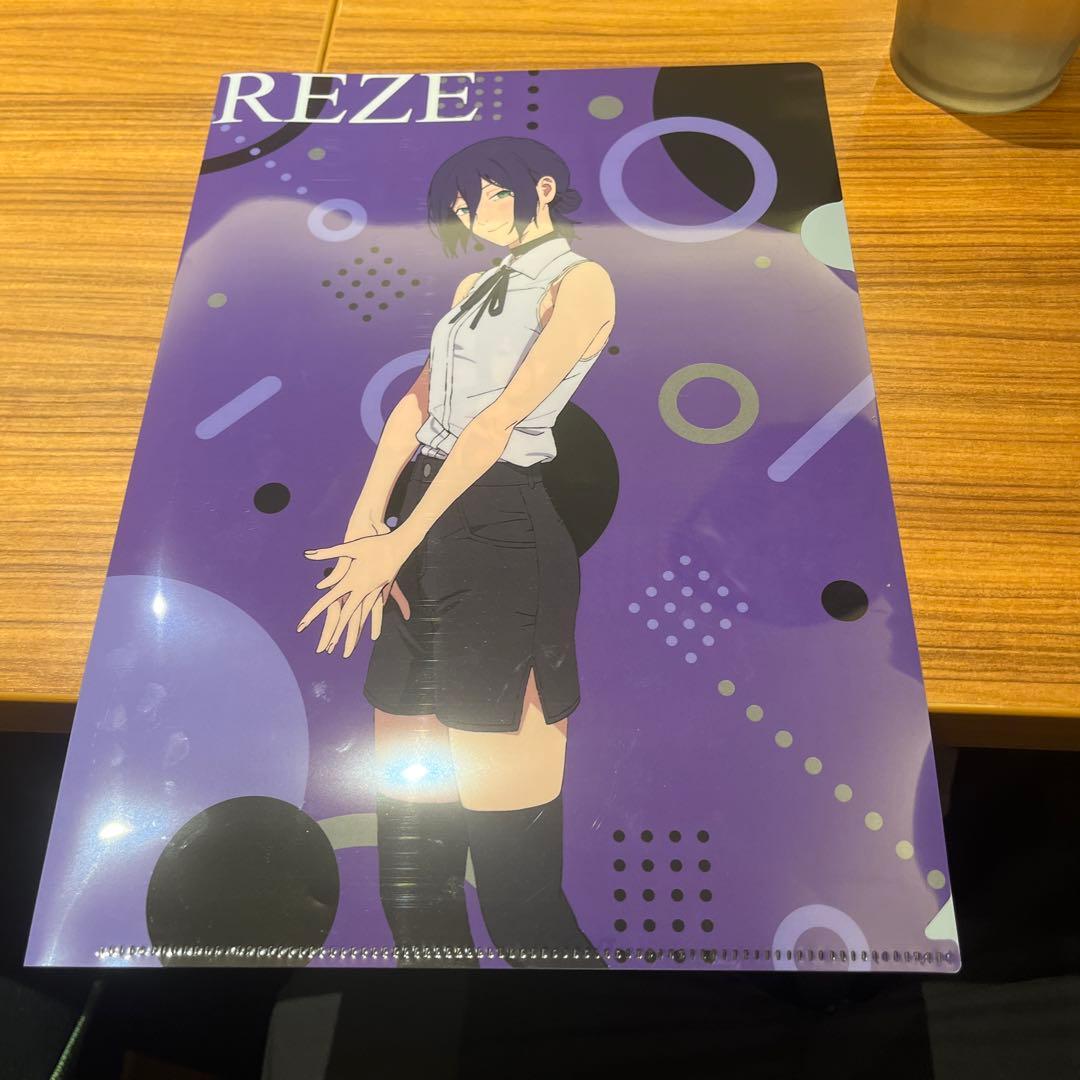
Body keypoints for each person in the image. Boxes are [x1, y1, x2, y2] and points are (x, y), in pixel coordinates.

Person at [298, 137, 615, 968]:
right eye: (466, 206)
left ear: (542, 186)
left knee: (520, 902)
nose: (478, 216)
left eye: (491, 196)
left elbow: (497, 423)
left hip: (503, 535)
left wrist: (399, 540)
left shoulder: (581, 282)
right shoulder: (474, 286)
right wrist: (370, 523)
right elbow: (419, 403)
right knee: (414, 881)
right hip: (421, 522)